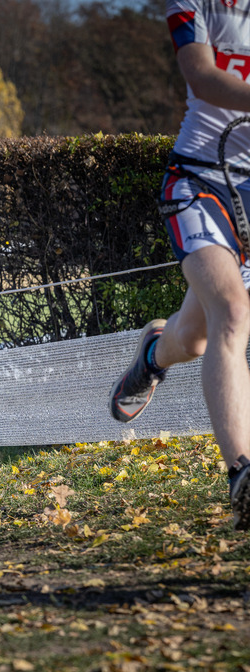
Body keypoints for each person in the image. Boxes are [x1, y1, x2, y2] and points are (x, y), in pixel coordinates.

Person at [110, 0, 250, 529]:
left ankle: (151, 354)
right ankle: (243, 476)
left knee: (192, 340)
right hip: (200, 180)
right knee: (233, 314)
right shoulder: (195, 2)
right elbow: (203, 77)